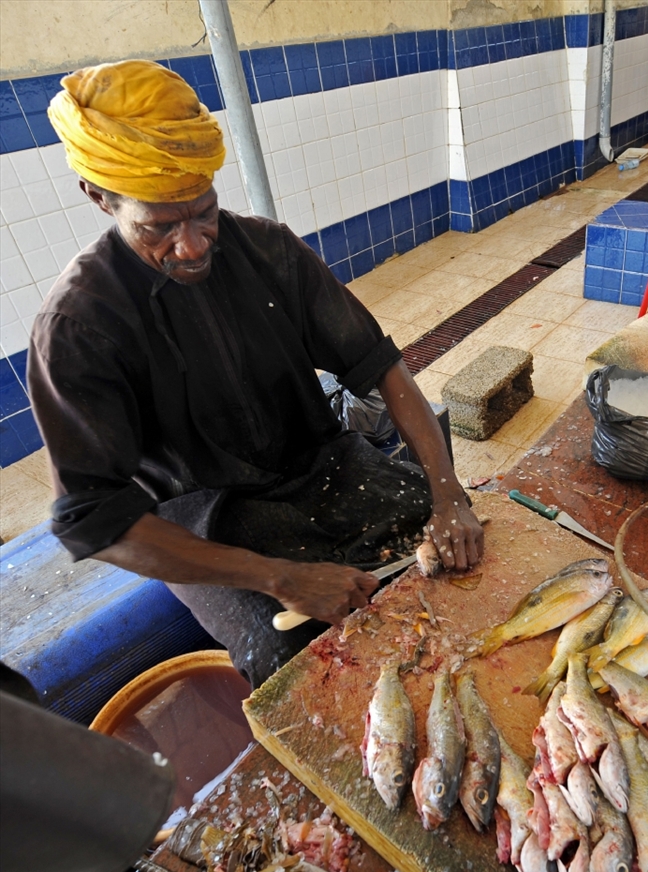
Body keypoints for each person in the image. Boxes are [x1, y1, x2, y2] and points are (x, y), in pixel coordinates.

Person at [29, 59, 484, 688]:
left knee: (456, 553)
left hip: (324, 465)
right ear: (99, 196)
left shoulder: (270, 250)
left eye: (204, 212)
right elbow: (95, 522)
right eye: (159, 227)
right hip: (203, 518)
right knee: (294, 665)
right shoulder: (80, 325)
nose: (191, 246)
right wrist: (278, 577)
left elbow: (383, 369)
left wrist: (448, 492)